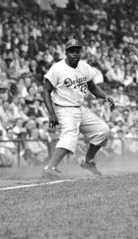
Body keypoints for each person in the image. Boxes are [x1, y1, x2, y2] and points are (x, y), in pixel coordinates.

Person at [42, 38, 115, 178]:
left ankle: (88, 161)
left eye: (77, 51)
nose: (75, 54)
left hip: (79, 108)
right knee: (69, 136)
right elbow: (46, 91)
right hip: (63, 108)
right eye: (71, 51)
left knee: (102, 130)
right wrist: (51, 113)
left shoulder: (84, 67)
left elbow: (92, 87)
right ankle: (50, 167)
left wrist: (105, 96)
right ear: (66, 53)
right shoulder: (58, 68)